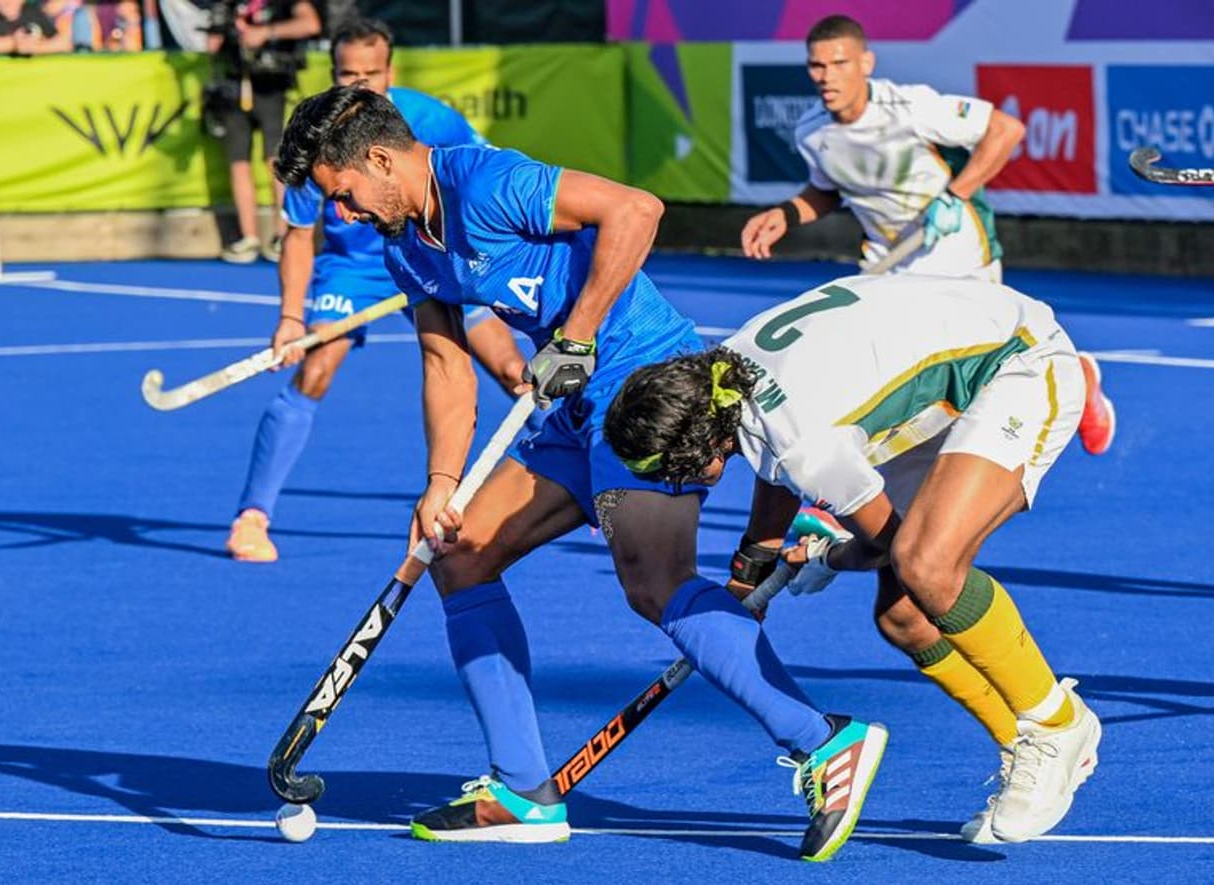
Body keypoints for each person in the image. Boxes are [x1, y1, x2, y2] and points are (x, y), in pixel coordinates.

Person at [273, 84, 889, 861]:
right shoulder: (405, 245)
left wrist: (579, 333)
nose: (342, 214)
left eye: (342, 193)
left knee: (655, 582)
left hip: (649, 383)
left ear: (380, 158)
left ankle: (824, 740)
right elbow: (445, 362)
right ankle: (522, 789)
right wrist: (441, 484)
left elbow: (637, 209)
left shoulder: (486, 182)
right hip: (572, 403)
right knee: (461, 552)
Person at [604, 271, 1103, 845]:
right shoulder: (728, 372)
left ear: (704, 449)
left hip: (1020, 361)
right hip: (948, 370)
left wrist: (828, 556)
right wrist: (750, 573)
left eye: (676, 472)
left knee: (926, 565)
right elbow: (773, 461)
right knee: (903, 616)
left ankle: (1057, 725)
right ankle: (1019, 742)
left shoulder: (805, 445)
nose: (678, 485)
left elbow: (878, 539)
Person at [739, 14, 1116, 458]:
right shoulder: (812, 130)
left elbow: (1005, 130)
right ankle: (869, 472)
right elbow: (827, 189)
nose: (826, 76)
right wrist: (786, 214)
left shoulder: (911, 108)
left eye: (839, 64)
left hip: (958, 253)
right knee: (881, 368)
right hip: (885, 265)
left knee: (979, 371)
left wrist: (955, 196)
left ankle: (1078, 376)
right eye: (817, 66)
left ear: (866, 63)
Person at [226, 18, 531, 564]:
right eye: (349, 74)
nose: (362, 84)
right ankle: (252, 517)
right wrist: (291, 317)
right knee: (315, 368)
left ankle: (581, 480)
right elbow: (298, 235)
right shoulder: (316, 137)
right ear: (333, 72)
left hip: (434, 257)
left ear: (390, 71)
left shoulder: (430, 118)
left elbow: (481, 173)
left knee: (513, 372)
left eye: (372, 73)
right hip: (355, 269)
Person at [205, 0, 320, 263]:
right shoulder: (228, 4)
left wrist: (266, 32)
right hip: (233, 85)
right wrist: (220, 31)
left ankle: (282, 234)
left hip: (271, 84)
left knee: (275, 159)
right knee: (238, 161)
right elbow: (211, 46)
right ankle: (249, 237)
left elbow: (310, 23)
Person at [0, 0, 73, 54]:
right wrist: (14, 43)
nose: (9, 1)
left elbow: (64, 44)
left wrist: (37, 48)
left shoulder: (33, 11)